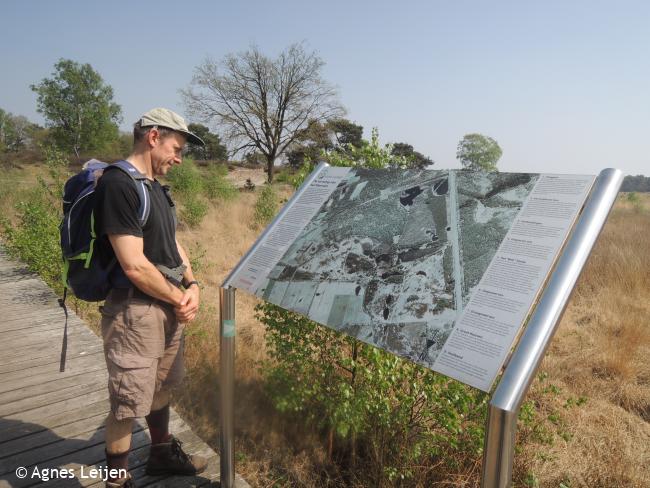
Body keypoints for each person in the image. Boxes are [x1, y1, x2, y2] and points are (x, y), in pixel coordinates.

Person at [94, 108, 208, 488]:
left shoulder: (154, 186)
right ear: (153, 136)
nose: (179, 158)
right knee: (128, 402)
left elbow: (172, 242)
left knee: (161, 385)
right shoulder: (119, 184)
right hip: (134, 312)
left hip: (166, 306)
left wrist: (192, 285)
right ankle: (117, 479)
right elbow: (134, 266)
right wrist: (180, 297)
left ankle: (160, 456)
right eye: (176, 148)